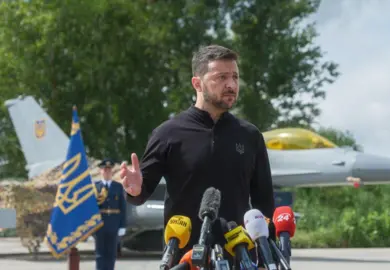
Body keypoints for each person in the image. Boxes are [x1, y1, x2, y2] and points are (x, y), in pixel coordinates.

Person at [120, 44, 276, 269]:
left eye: (235, 76)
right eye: (221, 77)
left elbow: (264, 202)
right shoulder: (168, 134)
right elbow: (141, 193)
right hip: (184, 258)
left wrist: (264, 255)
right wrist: (133, 190)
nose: (231, 85)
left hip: (239, 255)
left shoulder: (250, 135)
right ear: (197, 83)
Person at [94, 158, 127, 270]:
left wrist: (122, 225)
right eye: (105, 169)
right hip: (100, 224)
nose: (107, 172)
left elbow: (122, 207)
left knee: (111, 253)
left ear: (112, 171)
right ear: (100, 171)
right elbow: (92, 207)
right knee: (100, 253)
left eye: (109, 170)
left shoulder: (118, 187)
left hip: (114, 223)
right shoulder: (96, 187)